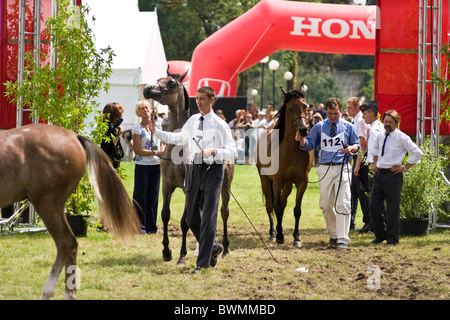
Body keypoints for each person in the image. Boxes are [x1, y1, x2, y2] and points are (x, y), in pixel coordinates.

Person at [149, 86, 237, 273]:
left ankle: (202, 263)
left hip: (213, 171)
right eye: (197, 98)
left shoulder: (220, 125)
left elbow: (233, 151)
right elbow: (178, 138)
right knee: (190, 217)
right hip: (194, 171)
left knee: (209, 218)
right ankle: (213, 247)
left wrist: (214, 151)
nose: (198, 101)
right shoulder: (192, 120)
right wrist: (156, 132)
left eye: (202, 98)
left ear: (212, 100)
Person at [296, 97, 360, 250]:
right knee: (325, 204)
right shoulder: (319, 127)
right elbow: (310, 144)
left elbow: (357, 144)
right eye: (330, 113)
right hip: (324, 168)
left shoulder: (348, 127)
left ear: (341, 111)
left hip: (343, 166)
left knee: (343, 202)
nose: (332, 117)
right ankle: (334, 233)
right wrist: (301, 141)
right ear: (326, 111)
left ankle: (343, 238)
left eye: (336, 114)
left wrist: (351, 148)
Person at [369, 110, 423, 245]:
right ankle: (380, 235)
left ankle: (393, 239)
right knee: (373, 206)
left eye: (390, 122)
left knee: (392, 209)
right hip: (380, 174)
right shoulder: (381, 135)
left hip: (393, 176)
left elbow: (417, 152)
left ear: (396, 123)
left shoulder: (402, 137)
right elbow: (375, 150)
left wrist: (404, 168)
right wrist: (375, 163)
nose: (387, 124)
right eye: (385, 121)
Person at [132, 100, 165, 235]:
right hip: (142, 166)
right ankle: (140, 227)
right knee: (141, 196)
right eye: (142, 109)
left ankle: (152, 227)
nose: (145, 110)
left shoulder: (159, 127)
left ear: (151, 110)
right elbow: (137, 150)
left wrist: (160, 153)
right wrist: (156, 152)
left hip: (155, 166)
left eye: (146, 108)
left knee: (153, 197)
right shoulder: (137, 128)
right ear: (138, 112)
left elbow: (161, 145)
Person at [356, 100, 384, 233]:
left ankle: (374, 226)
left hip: (374, 167)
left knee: (374, 199)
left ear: (372, 114)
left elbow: (374, 150)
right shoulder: (376, 127)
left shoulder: (374, 129)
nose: (362, 116)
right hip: (374, 166)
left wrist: (373, 167)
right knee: (373, 198)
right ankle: (373, 224)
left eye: (365, 113)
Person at [346, 97, 370, 231]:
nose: (348, 110)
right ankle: (351, 221)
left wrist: (357, 165)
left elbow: (362, 144)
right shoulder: (357, 120)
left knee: (361, 191)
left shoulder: (360, 121)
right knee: (354, 192)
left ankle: (368, 221)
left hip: (360, 158)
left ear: (357, 106)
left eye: (350, 108)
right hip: (357, 157)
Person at [100, 102, 124, 169]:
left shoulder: (110, 127)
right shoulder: (107, 129)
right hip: (107, 165)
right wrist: (117, 136)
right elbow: (108, 151)